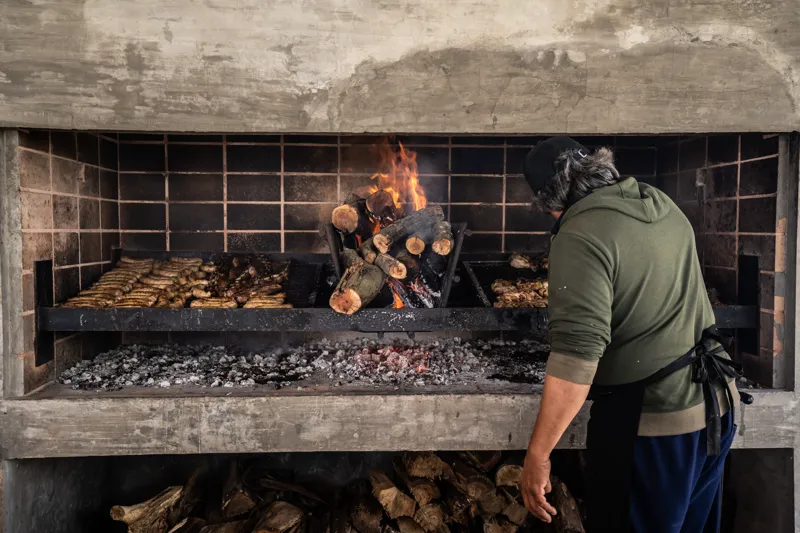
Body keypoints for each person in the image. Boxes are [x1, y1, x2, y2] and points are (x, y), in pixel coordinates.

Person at [517, 137, 751, 532]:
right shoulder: (657, 201)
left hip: (655, 426)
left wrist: (538, 454)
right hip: (716, 407)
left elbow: (577, 356)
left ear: (549, 202)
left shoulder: (579, 233)